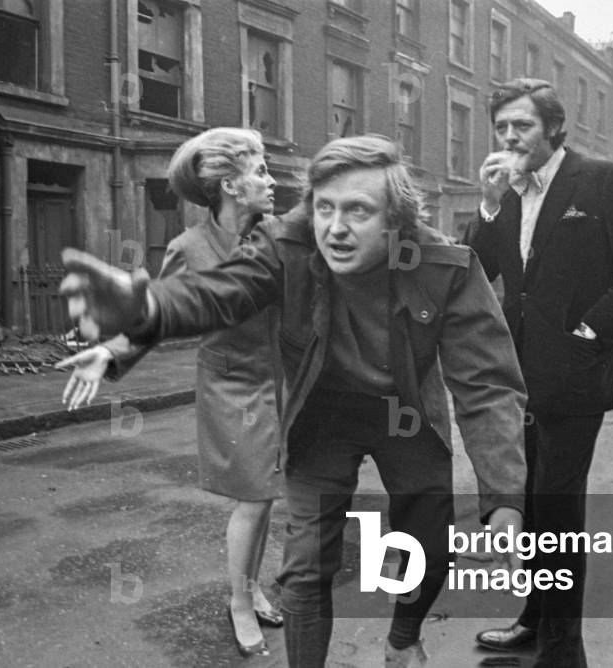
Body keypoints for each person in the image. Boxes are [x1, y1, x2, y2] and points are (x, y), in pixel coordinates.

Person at [58, 134, 528, 668]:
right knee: (305, 566)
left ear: (396, 220)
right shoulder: (286, 244)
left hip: (404, 414)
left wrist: (504, 499)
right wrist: (144, 306)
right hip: (322, 413)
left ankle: (402, 639)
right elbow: (217, 291)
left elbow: (487, 386)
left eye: (358, 211)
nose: (336, 228)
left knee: (427, 542)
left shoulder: (444, 265)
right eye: (325, 208)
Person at [462, 79, 613, 667]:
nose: (508, 137)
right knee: (525, 505)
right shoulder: (507, 192)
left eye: (520, 126)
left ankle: (562, 650)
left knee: (557, 514)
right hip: (515, 377)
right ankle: (534, 618)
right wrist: (488, 204)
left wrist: (590, 333)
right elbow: (478, 268)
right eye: (501, 127)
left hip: (574, 378)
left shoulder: (603, 180)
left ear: (551, 127)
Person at [57, 127, 284, 658]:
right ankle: (240, 602)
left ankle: (253, 588)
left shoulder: (277, 236)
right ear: (229, 185)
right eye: (261, 171)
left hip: (280, 381)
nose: (272, 181)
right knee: (252, 498)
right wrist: (113, 351)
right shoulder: (188, 248)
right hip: (231, 384)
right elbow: (157, 315)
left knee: (266, 496)